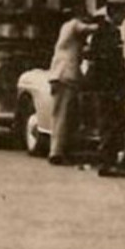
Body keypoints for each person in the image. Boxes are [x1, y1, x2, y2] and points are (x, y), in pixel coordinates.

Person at [82, 0, 125, 177]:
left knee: (116, 124)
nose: (124, 18)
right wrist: (116, 89)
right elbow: (106, 63)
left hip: (112, 87)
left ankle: (111, 161)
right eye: (123, 14)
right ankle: (107, 163)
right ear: (114, 13)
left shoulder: (110, 31)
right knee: (110, 124)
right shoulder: (105, 32)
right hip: (109, 87)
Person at [46, 9, 97, 161]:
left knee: (61, 114)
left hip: (59, 74)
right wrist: (102, 24)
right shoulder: (74, 25)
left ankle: (59, 149)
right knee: (63, 114)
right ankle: (56, 151)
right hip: (66, 75)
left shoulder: (66, 31)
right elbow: (87, 29)